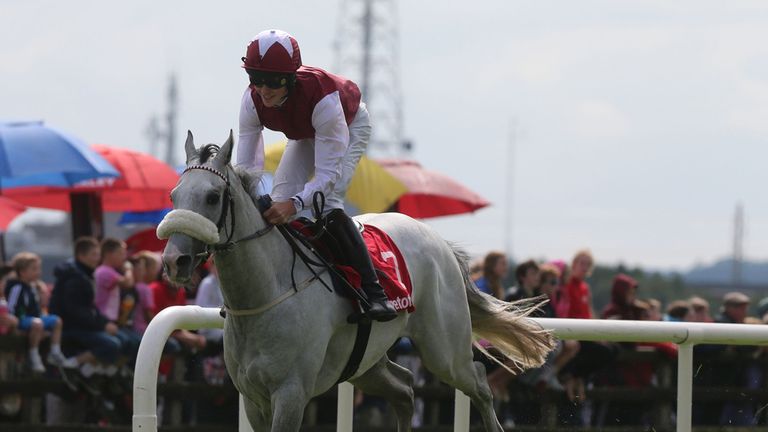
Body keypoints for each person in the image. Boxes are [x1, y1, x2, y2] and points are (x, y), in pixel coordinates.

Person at [235, 29, 396, 322]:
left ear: (291, 78)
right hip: (303, 132)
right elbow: (247, 168)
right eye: (256, 79)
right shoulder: (251, 100)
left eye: (273, 81)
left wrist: (295, 205)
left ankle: (376, 295)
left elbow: (326, 177)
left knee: (328, 202)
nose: (264, 89)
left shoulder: (326, 103)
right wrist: (257, 200)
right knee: (277, 200)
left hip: (347, 124)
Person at [49, 237, 123, 377]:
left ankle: (91, 370)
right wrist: (102, 325)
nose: (98, 258)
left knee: (122, 340)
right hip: (71, 328)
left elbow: (89, 307)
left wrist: (104, 323)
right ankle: (72, 364)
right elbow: (74, 311)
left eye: (98, 254)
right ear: (81, 256)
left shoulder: (84, 274)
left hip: (81, 325)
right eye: (94, 255)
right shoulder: (75, 278)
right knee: (112, 344)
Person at [5, 252, 77, 373]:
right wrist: (14, 324)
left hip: (34, 318)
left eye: (38, 268)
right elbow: (11, 307)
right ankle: (34, 355)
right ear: (22, 272)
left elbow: (36, 309)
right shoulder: (17, 287)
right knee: (37, 324)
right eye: (34, 269)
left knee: (57, 321)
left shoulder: (32, 287)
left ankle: (55, 352)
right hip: (22, 319)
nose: (38, 272)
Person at [95, 238, 140, 360]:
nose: (124, 257)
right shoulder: (104, 271)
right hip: (103, 321)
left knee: (133, 342)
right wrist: (128, 269)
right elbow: (128, 283)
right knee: (126, 342)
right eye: (120, 253)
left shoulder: (110, 271)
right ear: (109, 254)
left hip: (111, 321)